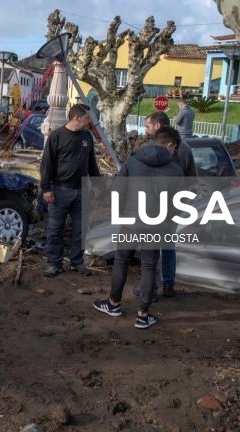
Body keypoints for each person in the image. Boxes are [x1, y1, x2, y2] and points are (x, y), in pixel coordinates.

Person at [92, 127, 183, 329]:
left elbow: (117, 189)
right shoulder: (175, 170)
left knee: (122, 260)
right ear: (169, 145)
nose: (174, 152)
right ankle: (143, 315)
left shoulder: (133, 162)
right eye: (174, 148)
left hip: (130, 223)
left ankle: (113, 304)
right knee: (149, 266)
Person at [40, 104, 101, 278]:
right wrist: (46, 188)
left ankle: (77, 262)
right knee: (55, 229)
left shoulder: (87, 137)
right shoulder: (57, 136)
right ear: (77, 118)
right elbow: (47, 164)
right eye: (87, 118)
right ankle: (53, 263)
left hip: (81, 190)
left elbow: (91, 163)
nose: (90, 121)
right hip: (59, 190)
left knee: (80, 230)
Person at [143, 111, 197, 297]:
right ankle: (167, 284)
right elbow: (192, 179)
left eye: (148, 126)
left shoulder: (164, 149)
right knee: (167, 246)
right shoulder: (186, 148)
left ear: (158, 126)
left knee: (152, 249)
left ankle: (153, 287)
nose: (146, 130)